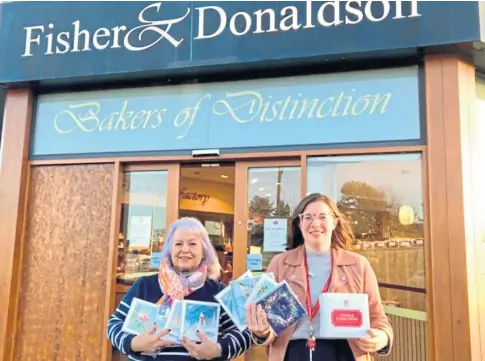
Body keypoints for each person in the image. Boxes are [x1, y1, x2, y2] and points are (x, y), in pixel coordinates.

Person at [246, 193, 394, 361]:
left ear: (334, 222)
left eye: (322, 216)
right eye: (308, 217)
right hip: (292, 354)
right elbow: (269, 326)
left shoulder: (358, 265)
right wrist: (262, 331)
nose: (315, 223)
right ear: (300, 224)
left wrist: (382, 337)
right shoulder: (280, 264)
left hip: (345, 354)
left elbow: (378, 318)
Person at [107, 217, 258, 361]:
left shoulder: (218, 291)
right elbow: (114, 325)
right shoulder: (144, 286)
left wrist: (218, 349)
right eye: (178, 244)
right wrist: (133, 343)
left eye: (192, 244)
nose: (185, 249)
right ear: (169, 250)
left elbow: (244, 332)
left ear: (204, 251)